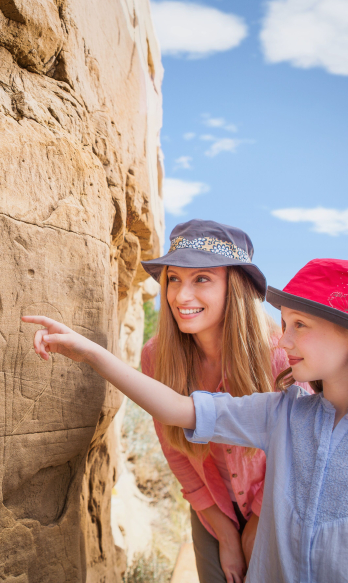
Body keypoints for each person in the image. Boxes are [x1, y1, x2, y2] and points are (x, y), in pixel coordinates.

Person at [23, 258, 348, 583]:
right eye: (286, 323)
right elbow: (177, 409)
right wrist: (89, 352)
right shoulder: (283, 413)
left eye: (301, 326)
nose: (286, 337)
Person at [136, 220, 296, 583]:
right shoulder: (156, 357)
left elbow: (296, 450)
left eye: (202, 279)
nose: (180, 296)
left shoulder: (280, 356)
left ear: (234, 286)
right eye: (173, 278)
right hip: (211, 508)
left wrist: (257, 522)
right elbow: (174, 449)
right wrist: (225, 534)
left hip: (278, 504)